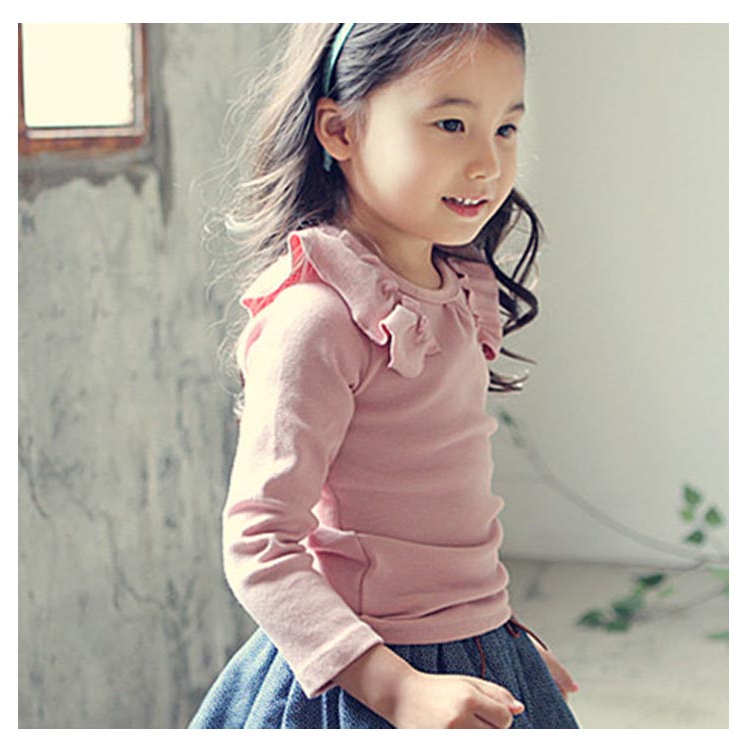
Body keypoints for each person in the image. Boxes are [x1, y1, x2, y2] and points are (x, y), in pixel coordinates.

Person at [189, 23, 581, 729]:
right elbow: (259, 542)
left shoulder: (455, 291)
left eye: (506, 128)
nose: (487, 164)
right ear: (340, 130)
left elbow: (442, 518)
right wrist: (399, 690)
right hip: (368, 674)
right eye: (451, 124)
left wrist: (498, 638)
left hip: (478, 645)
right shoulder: (317, 319)